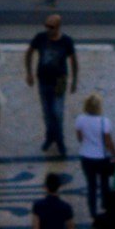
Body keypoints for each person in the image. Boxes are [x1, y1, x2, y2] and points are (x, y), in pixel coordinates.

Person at [25, 8, 79, 154]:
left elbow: (74, 62)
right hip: (43, 81)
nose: (48, 29)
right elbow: (29, 53)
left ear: (58, 27)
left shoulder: (66, 41)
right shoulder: (40, 38)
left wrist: (74, 81)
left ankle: (59, 139)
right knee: (47, 112)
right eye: (46, 26)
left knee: (57, 112)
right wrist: (29, 73)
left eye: (51, 27)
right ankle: (50, 137)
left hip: (59, 82)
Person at [76, 93, 115, 222]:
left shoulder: (80, 120)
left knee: (91, 185)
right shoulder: (104, 122)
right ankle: (105, 205)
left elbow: (79, 138)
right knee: (104, 183)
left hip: (86, 157)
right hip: (101, 157)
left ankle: (92, 211)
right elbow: (108, 142)